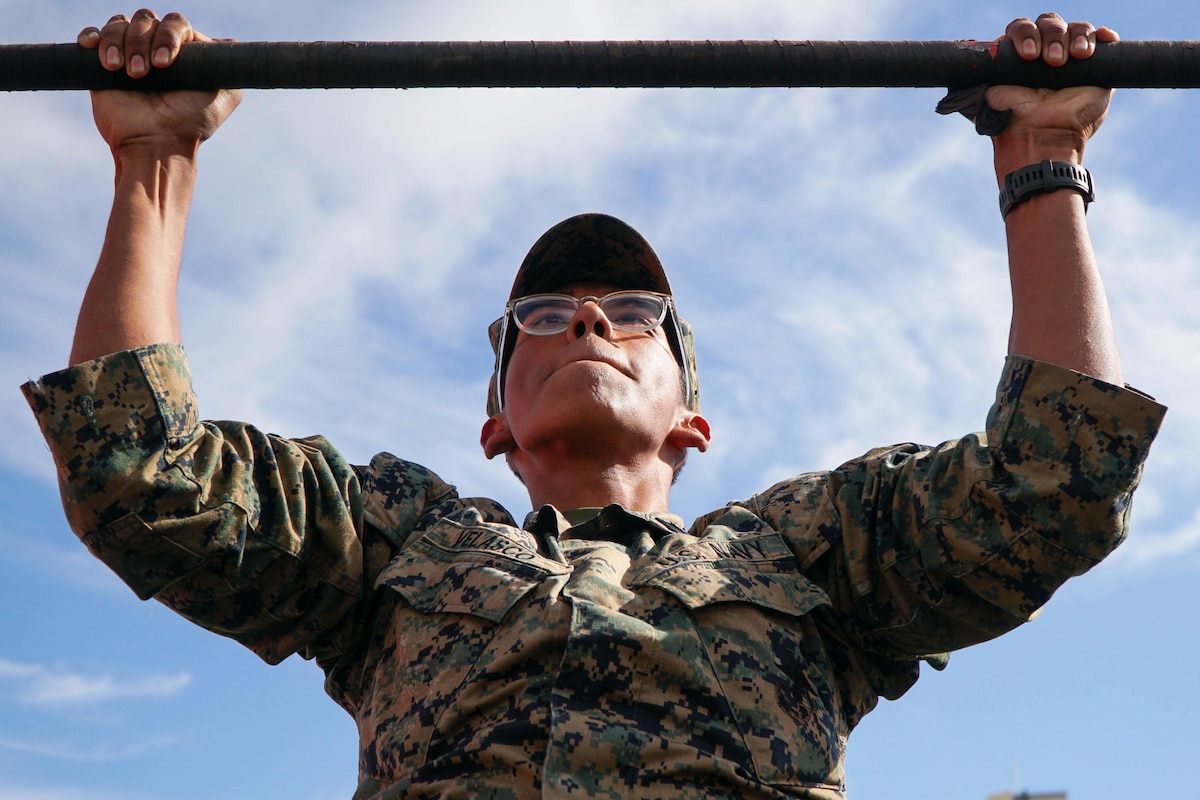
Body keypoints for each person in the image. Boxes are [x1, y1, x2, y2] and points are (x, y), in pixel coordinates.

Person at [21, 9, 1166, 800]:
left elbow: (1049, 484)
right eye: (541, 314)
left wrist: (1045, 156)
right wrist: (155, 164)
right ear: (497, 425)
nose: (583, 319)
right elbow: (141, 474)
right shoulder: (396, 540)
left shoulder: (812, 548)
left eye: (630, 308)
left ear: (691, 419)